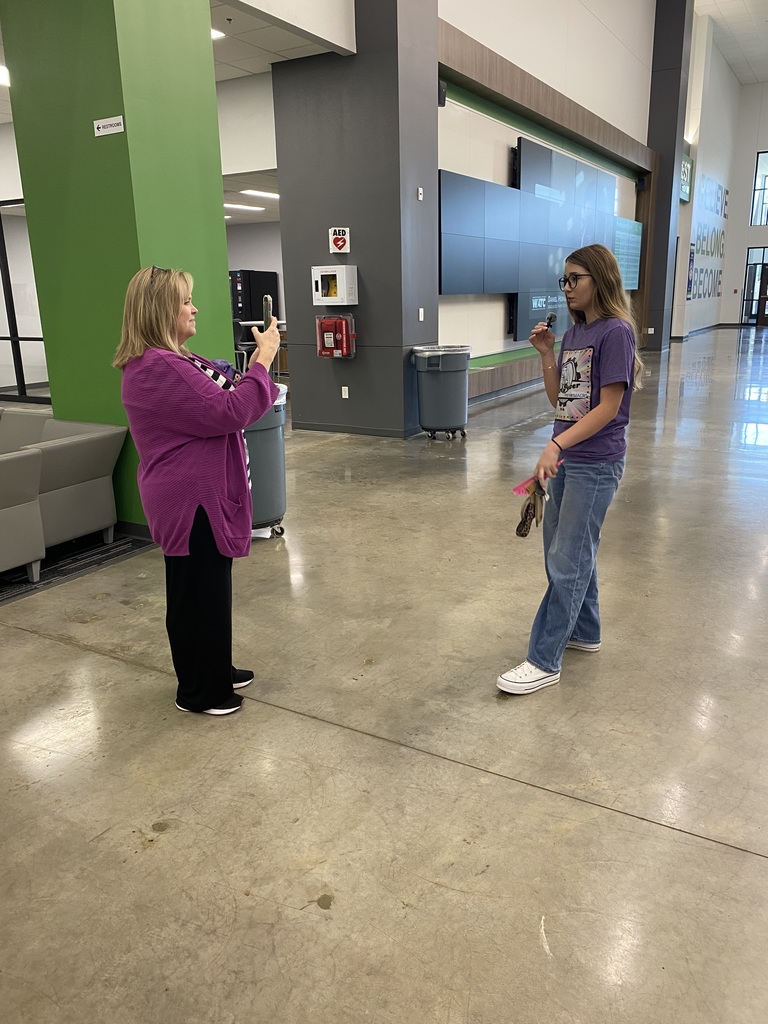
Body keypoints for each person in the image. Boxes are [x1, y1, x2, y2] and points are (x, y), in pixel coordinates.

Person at [113, 266, 281, 715]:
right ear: (160, 309)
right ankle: (200, 692)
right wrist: (263, 362)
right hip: (190, 502)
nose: (194, 308)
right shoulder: (157, 367)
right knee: (196, 592)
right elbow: (231, 409)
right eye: (186, 300)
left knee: (208, 588)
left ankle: (214, 668)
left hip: (198, 495)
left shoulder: (176, 359)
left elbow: (222, 387)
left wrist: (250, 367)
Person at [497, 244, 643, 696]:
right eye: (564, 280)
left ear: (599, 278)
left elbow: (608, 408)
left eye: (575, 278)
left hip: (595, 464)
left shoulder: (615, 332)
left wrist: (555, 444)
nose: (567, 288)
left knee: (568, 559)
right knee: (566, 553)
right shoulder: (575, 335)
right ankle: (585, 630)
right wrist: (545, 353)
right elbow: (566, 402)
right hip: (568, 461)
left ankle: (544, 659)